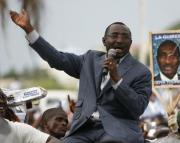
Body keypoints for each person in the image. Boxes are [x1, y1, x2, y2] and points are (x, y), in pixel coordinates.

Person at [10, 10, 152, 143]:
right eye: (114, 35)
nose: (119, 40)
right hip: (83, 130)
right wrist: (30, 30)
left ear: (131, 42)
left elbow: (138, 107)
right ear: (104, 41)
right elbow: (57, 59)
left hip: (119, 133)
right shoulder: (90, 59)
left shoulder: (141, 72)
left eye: (125, 37)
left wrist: (117, 80)